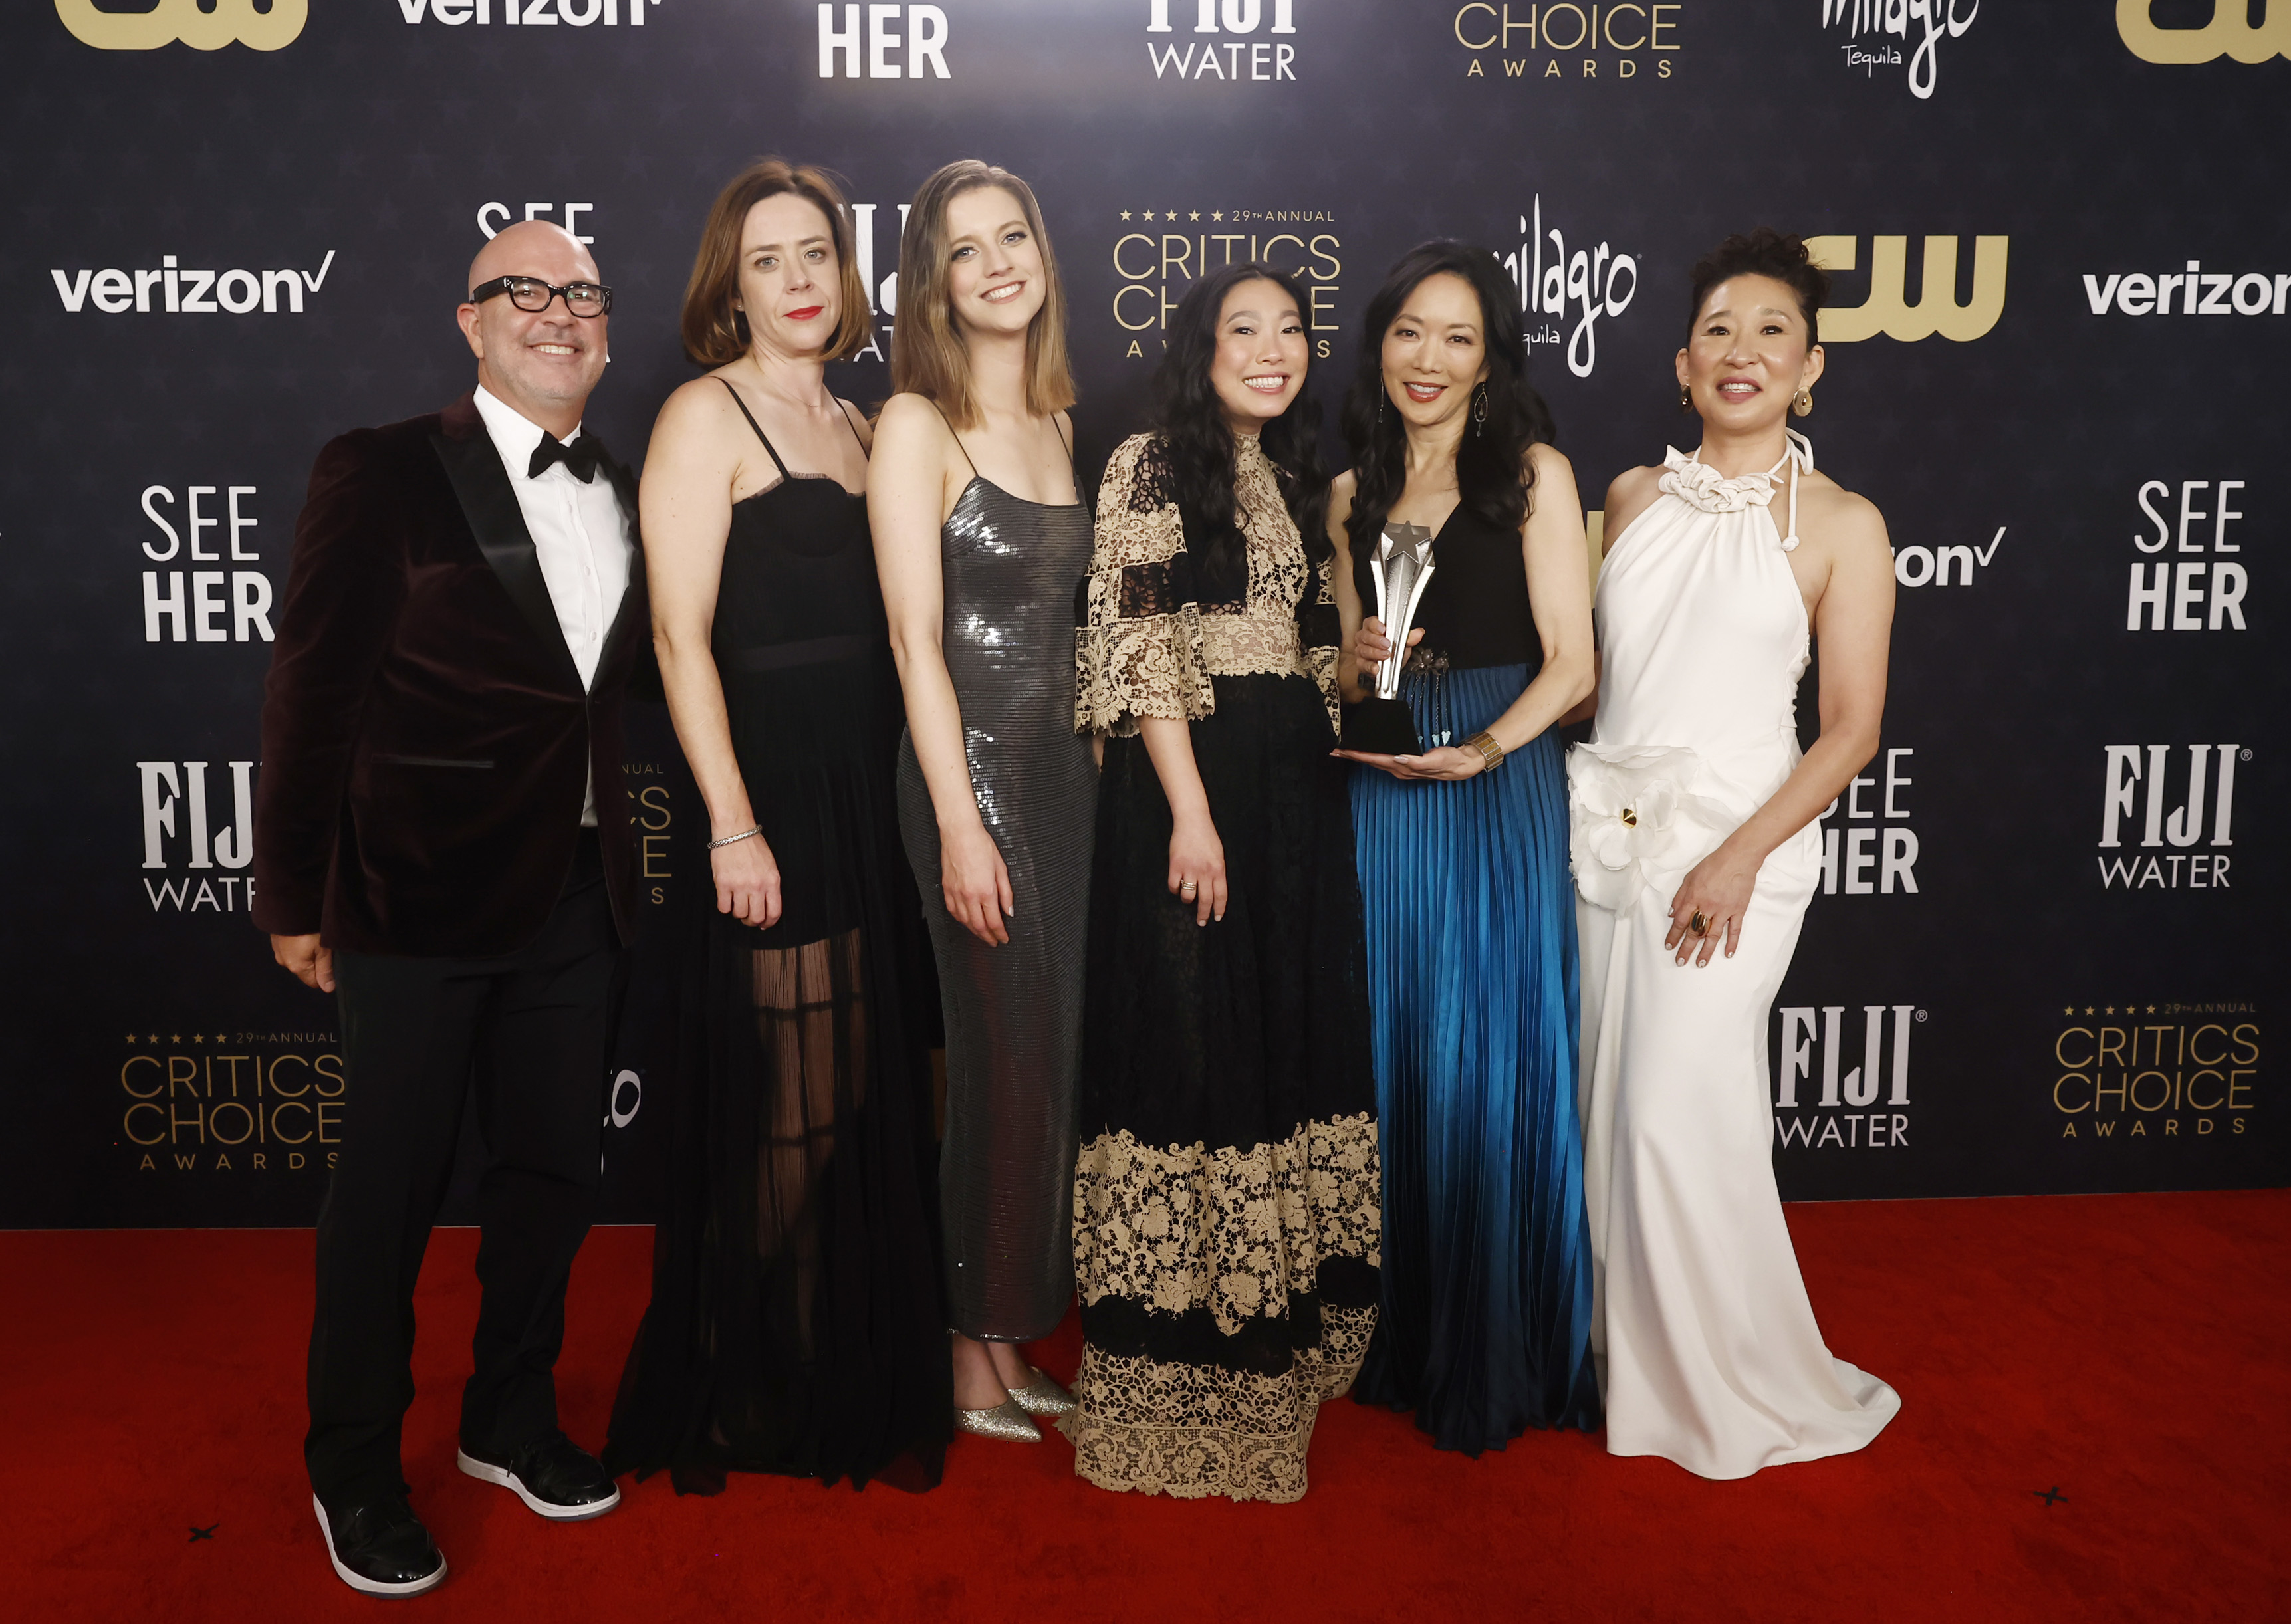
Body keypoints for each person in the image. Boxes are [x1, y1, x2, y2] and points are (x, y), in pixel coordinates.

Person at [253, 220, 642, 1596]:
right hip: (412, 898)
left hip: (581, 901)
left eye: (582, 294)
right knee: (391, 1192)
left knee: (550, 1177)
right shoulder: (381, 469)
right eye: (523, 291)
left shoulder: (628, 485)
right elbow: (313, 689)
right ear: (468, 322)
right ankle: (352, 1461)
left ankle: (506, 1417)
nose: (558, 313)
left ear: (606, 326)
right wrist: (292, 890)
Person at [603, 160, 951, 1495]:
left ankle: (805, 1347)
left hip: (872, 796)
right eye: (769, 260)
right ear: (727, 288)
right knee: (797, 1102)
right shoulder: (708, 413)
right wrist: (731, 824)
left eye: (817, 252)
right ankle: (722, 1346)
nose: (801, 278)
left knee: (859, 1085)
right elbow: (679, 640)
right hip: (775, 801)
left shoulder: (868, 425)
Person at [1572, 227, 1901, 1478]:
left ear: (1809, 367)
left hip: (1737, 861)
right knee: (1610, 1109)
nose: (1742, 350)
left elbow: (1853, 729)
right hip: (1604, 842)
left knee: (1672, 1110)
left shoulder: (1843, 523)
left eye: (1771, 331)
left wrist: (1736, 859)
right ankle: (1626, 1361)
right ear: (1679, 363)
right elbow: (1605, 679)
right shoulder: (1630, 498)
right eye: (1718, 329)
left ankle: (1724, 1379)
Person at [1066, 263, 1382, 1502]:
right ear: (1198, 351)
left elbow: (1307, 656)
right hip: (1190, 783)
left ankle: (1293, 1322)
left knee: (1287, 1041)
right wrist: (1190, 815)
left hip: (1295, 790)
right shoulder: (1148, 462)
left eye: (1290, 331)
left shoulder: (1302, 482)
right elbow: (1135, 640)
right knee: (1193, 1045)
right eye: (1240, 330)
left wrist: (1350, 655)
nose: (1270, 349)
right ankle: (1184, 1358)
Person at [1332, 241, 1602, 1453]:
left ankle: (1500, 1341)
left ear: (1489, 357)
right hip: (1388, 787)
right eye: (1408, 333)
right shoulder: (1348, 492)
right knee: (1397, 1051)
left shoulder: (1533, 473)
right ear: (1379, 345)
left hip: (1495, 781)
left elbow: (1576, 665)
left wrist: (1486, 751)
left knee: (1488, 1053)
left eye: (1456, 338)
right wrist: (1351, 683)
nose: (1427, 360)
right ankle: (1407, 1328)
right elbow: (1350, 660)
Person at [869, 160, 1094, 1443]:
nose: (999, 261)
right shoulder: (916, 423)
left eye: (1015, 234)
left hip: (1069, 785)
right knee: (1002, 1066)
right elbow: (915, 642)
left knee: (1049, 1068)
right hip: (976, 785)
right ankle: (967, 1360)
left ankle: (1007, 1341)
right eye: (966, 249)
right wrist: (959, 821)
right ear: (935, 284)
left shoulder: (1060, 423)